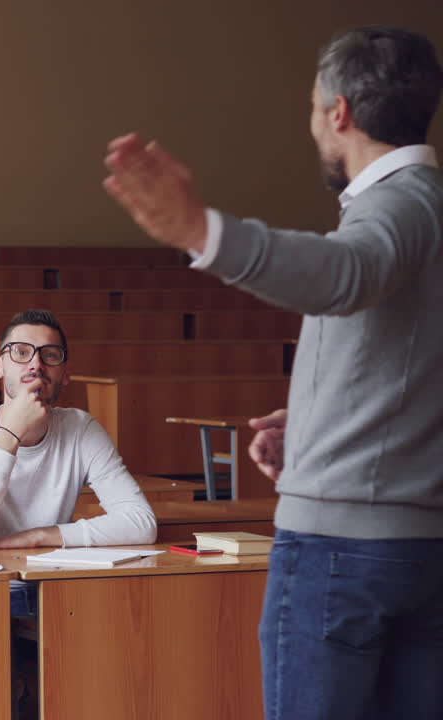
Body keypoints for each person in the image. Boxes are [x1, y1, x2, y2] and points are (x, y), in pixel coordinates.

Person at [103, 25, 443, 720]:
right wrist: (318, 417)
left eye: (313, 108)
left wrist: (203, 231)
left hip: (344, 555)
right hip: (418, 549)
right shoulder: (425, 208)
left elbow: (346, 274)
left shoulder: (400, 206)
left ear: (338, 112)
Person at [0, 309, 157, 553]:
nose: (36, 365)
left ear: (66, 373)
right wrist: (9, 436)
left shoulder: (81, 429)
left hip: (51, 580)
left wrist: (41, 536)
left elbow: (141, 522)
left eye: (50, 355)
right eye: (21, 352)